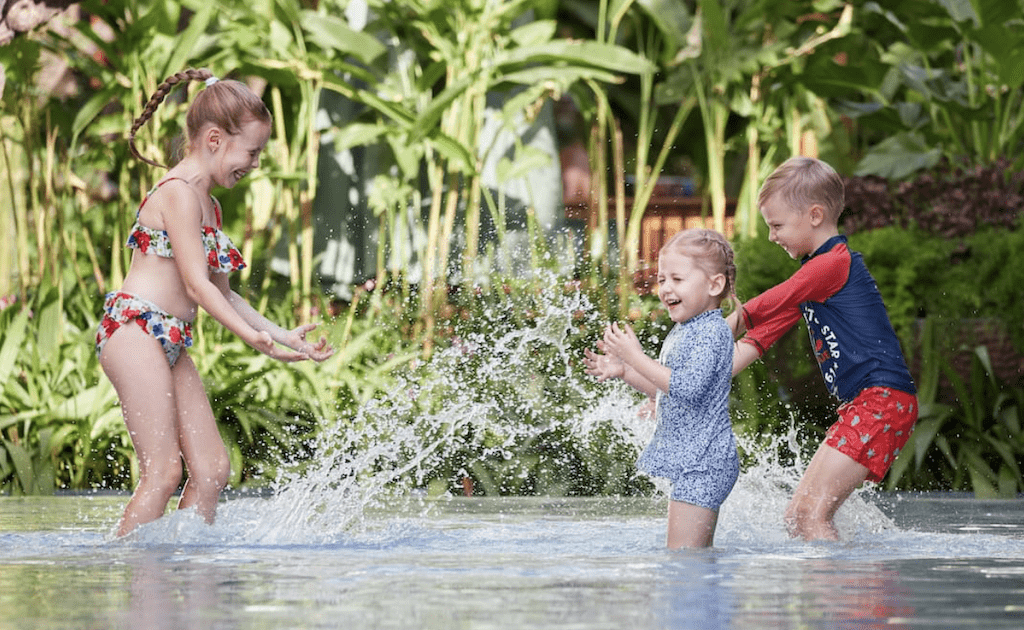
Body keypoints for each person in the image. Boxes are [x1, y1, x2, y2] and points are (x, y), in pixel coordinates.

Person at [97, 68, 334, 537]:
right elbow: (197, 287)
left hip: (168, 339)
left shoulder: (210, 205)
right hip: (134, 333)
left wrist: (282, 335)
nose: (256, 163)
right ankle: (124, 577)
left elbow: (223, 291)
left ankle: (187, 578)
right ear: (213, 139)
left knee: (211, 471)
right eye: (252, 151)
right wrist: (255, 340)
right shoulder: (179, 195)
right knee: (163, 473)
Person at [728, 156, 918, 541]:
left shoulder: (832, 264)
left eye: (776, 225)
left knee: (810, 517)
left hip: (881, 402)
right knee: (798, 516)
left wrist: (712, 329)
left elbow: (765, 306)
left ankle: (849, 596)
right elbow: (759, 337)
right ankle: (852, 593)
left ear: (815, 215)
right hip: (869, 406)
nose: (771, 236)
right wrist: (681, 382)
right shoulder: (814, 278)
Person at [584, 228, 739, 549]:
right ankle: (705, 598)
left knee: (685, 559)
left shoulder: (711, 333)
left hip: (706, 462)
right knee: (688, 557)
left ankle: (710, 599)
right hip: (695, 461)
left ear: (715, 284)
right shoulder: (687, 330)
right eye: (662, 279)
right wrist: (625, 370)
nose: (666, 288)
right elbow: (667, 390)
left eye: (677, 279)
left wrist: (636, 357)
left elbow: (687, 389)